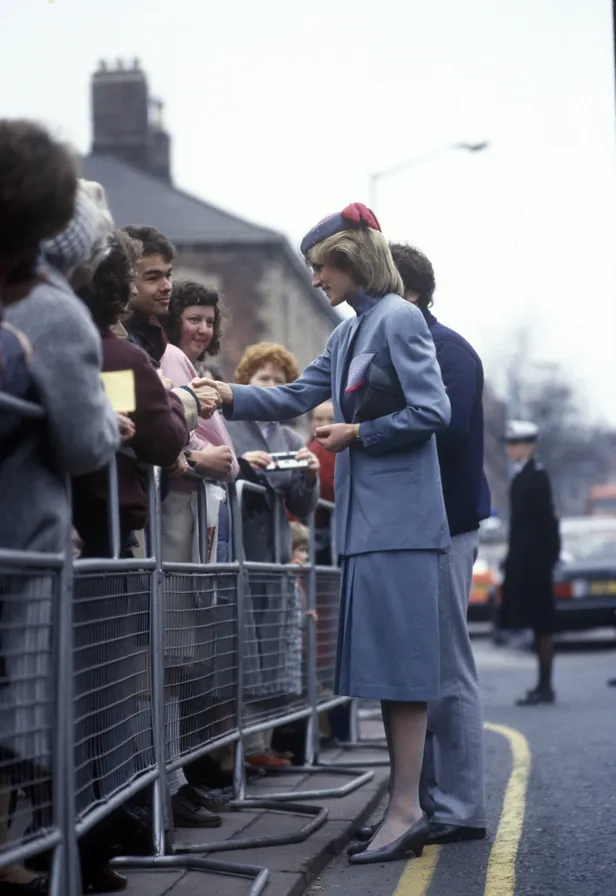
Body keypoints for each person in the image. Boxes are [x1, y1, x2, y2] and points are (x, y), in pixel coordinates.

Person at [208, 202, 451, 865]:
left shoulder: (398, 319)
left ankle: (406, 811)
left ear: (349, 260)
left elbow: (435, 409)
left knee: (402, 672)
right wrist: (223, 395)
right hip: (369, 528)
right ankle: (405, 807)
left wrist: (359, 433)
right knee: (388, 672)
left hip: (399, 527)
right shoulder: (349, 334)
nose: (316, 281)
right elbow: (292, 395)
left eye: (321, 268)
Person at [0, 120, 120, 895]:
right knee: (26, 713)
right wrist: (112, 421)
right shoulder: (51, 313)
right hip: (24, 548)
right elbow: (85, 447)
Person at [389, 242, 489, 845]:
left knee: (450, 672)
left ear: (413, 295)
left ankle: (461, 809)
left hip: (446, 528)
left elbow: (446, 435)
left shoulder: (451, 352)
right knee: (415, 675)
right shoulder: (402, 344)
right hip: (412, 530)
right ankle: (429, 804)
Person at [224, 343, 320, 770]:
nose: (272, 387)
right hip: (238, 547)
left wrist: (309, 474)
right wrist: (243, 464)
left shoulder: (291, 437)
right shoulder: (229, 425)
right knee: (237, 648)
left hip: (275, 554)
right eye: (263, 379)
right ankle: (233, 751)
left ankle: (259, 745)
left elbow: (302, 507)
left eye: (280, 382)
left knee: (269, 651)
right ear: (245, 382)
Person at [502, 420, 560, 705]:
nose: (510, 449)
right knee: (539, 626)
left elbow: (545, 524)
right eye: (510, 443)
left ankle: (545, 685)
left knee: (543, 624)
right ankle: (542, 684)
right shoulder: (521, 475)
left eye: (516, 443)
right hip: (527, 563)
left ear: (529, 445)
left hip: (536, 564)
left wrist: (545, 562)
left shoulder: (536, 476)